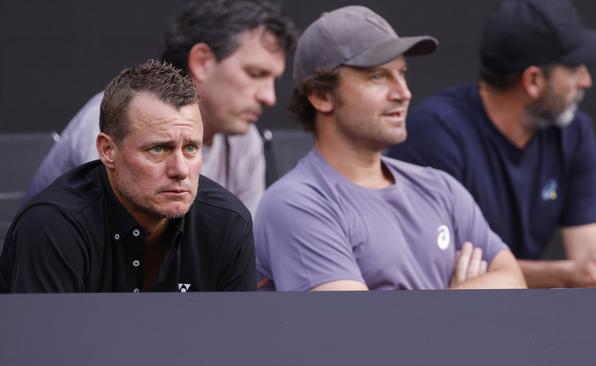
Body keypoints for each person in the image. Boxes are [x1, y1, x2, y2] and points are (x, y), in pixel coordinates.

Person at [254, 6, 526, 291]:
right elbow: (356, 329)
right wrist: (455, 300)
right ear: (321, 95)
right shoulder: (296, 203)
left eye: (402, 74)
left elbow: (512, 280)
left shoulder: (440, 188)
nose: (403, 92)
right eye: (377, 77)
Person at [387, 0, 596, 288]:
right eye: (574, 68)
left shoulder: (574, 132)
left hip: (520, 313)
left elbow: (589, 262)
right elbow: (434, 268)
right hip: (448, 318)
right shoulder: (437, 133)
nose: (586, 80)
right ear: (533, 80)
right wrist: (564, 274)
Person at [0, 60, 256, 292]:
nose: (180, 169)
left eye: (191, 148)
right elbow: (45, 343)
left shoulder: (227, 223)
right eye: (158, 149)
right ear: (107, 150)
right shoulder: (53, 227)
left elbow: (237, 340)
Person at [24, 0, 297, 216]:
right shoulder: (112, 119)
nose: (269, 97)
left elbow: (236, 254)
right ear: (202, 62)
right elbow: (108, 259)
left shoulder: (243, 141)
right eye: (255, 73)